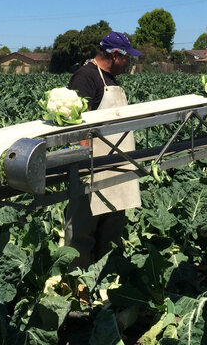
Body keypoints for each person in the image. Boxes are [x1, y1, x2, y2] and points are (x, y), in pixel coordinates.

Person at [65, 31, 141, 268]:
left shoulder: (111, 80)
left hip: (116, 166)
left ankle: (103, 279)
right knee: (81, 231)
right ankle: (77, 283)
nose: (128, 63)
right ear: (115, 55)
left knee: (110, 229)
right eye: (127, 58)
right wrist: (85, 166)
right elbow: (76, 123)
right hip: (92, 168)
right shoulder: (85, 77)